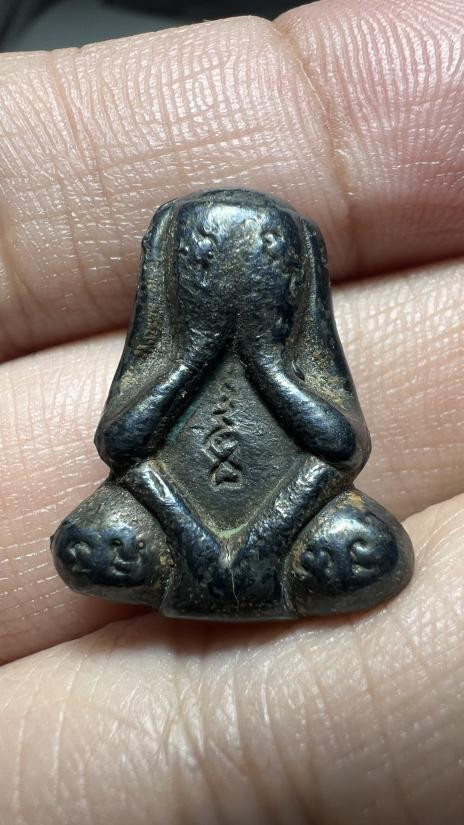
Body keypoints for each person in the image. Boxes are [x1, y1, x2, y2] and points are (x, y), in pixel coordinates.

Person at [0, 0, 463, 822]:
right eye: (210, 260)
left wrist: (266, 365)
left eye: (262, 258)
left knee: (369, 549)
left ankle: (232, 576)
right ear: (176, 272)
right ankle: (223, 576)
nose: (237, 274)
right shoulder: (167, 349)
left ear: (292, 273)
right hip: (166, 505)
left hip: (291, 508)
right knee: (88, 544)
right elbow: (123, 443)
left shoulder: (295, 351)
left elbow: (339, 446)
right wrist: (193, 360)